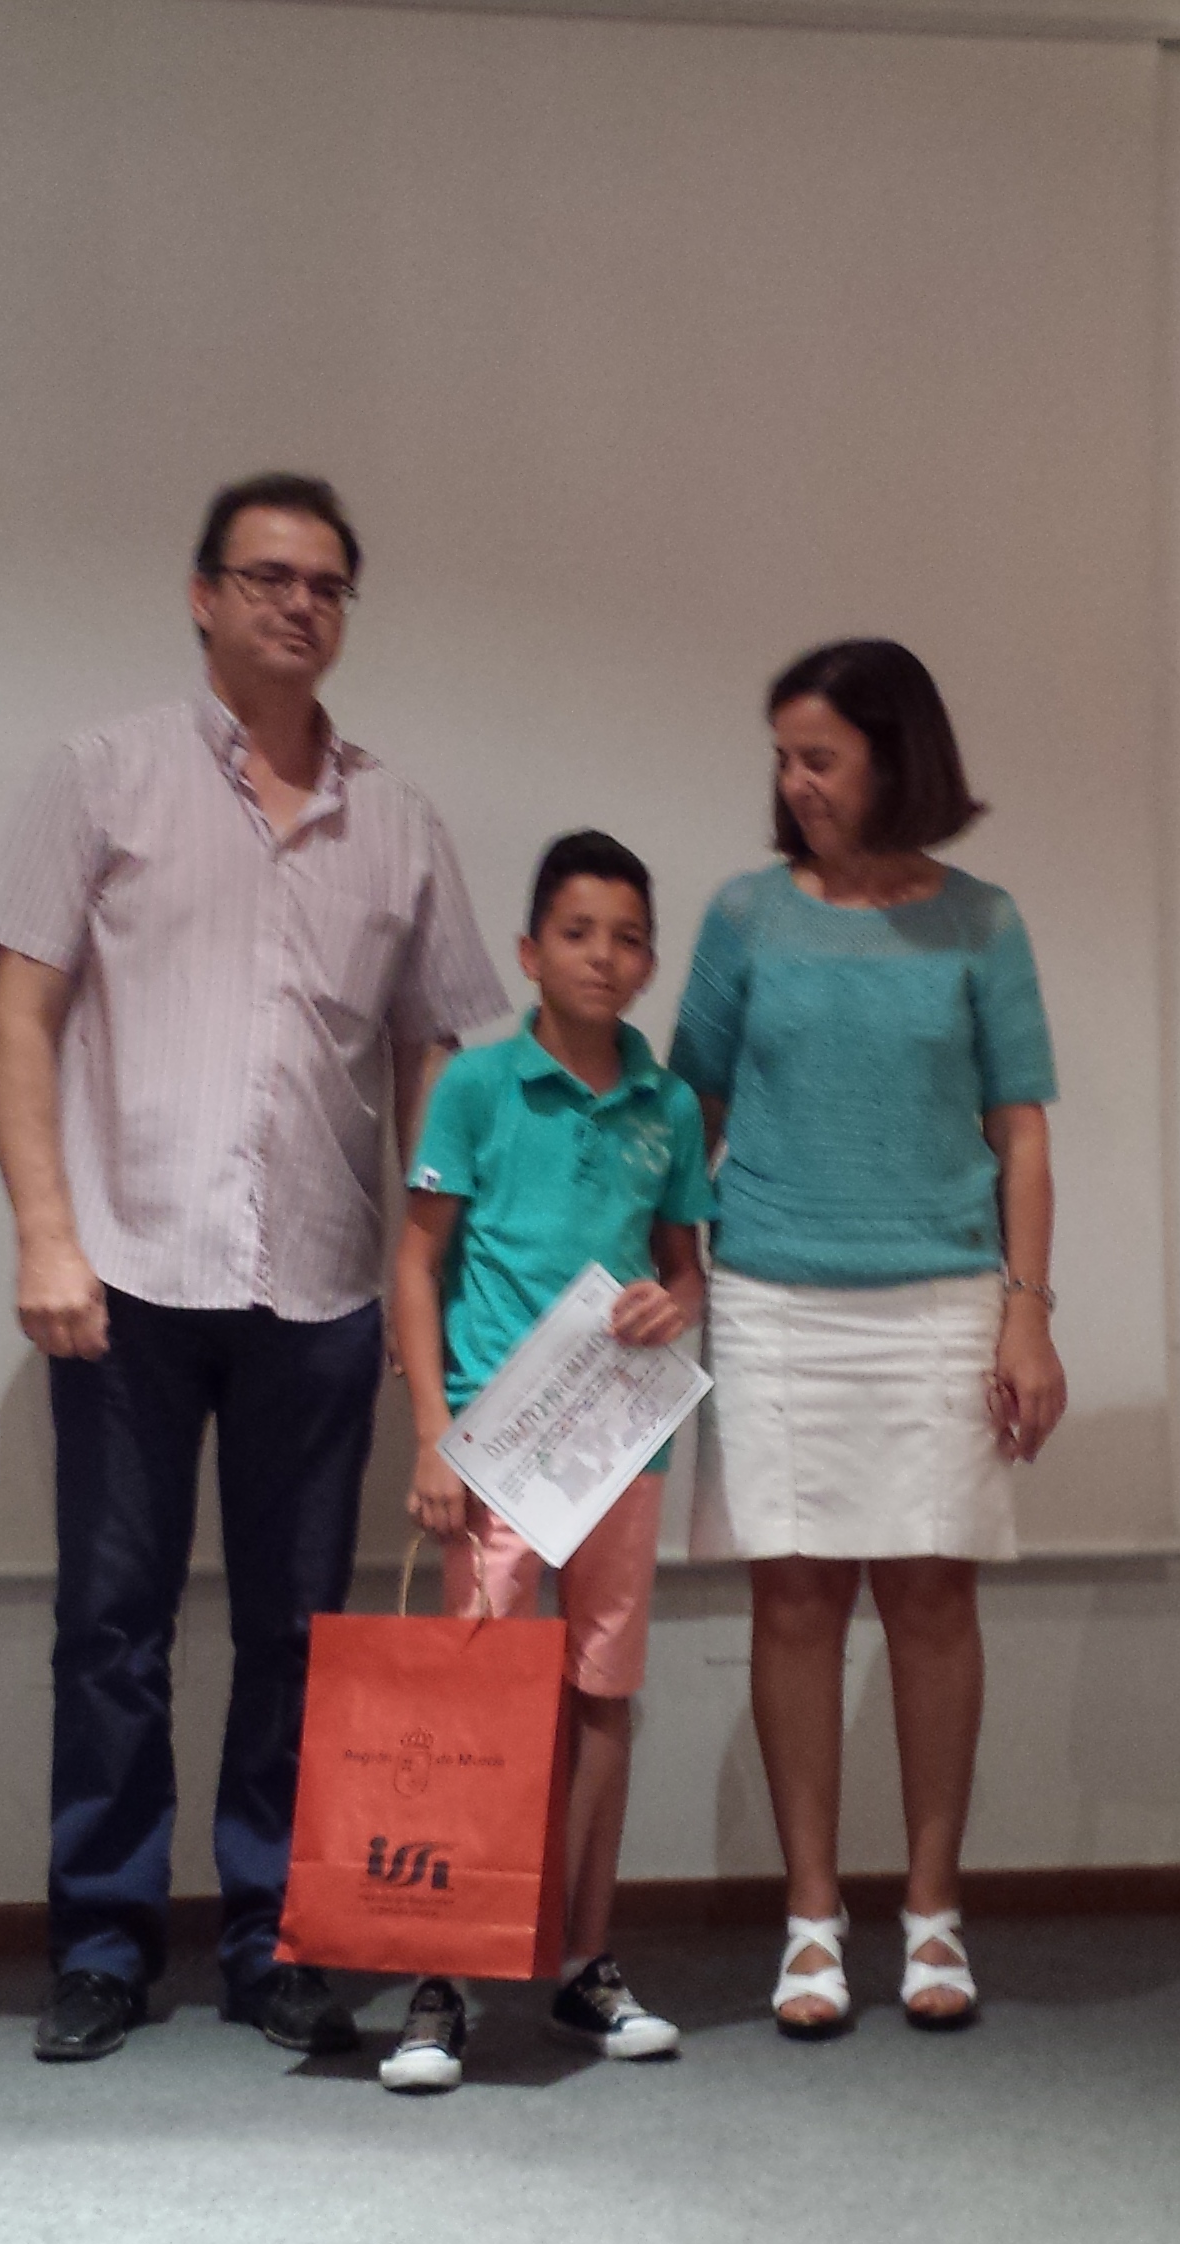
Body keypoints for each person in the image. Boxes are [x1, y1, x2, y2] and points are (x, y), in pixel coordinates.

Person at [0, 474, 506, 2063]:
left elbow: (434, 1061)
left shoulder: (399, 820)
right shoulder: (103, 775)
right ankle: (105, 1942)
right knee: (112, 1627)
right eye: (269, 576)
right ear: (202, 594)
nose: (299, 604)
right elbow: (18, 1017)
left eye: (327, 584)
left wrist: (425, 1274)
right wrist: (45, 1231)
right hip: (127, 1275)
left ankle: (280, 1935)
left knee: (301, 1631)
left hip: (323, 1289)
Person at [669, 638, 1062, 2038]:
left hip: (941, 1297)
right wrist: (665, 1271)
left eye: (819, 757)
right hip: (771, 1295)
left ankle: (935, 1910)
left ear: (896, 758)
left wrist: (1028, 1309)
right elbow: (687, 1115)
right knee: (793, 1602)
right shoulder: (745, 917)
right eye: (783, 757)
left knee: (933, 1603)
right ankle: (812, 1918)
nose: (795, 782)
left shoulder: (982, 923)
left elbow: (1021, 1132)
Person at [374, 830, 713, 2093]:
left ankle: (583, 1959)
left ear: (650, 963)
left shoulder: (669, 1105)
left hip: (620, 1443)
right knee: (476, 1703)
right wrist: (432, 1435)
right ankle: (445, 1978)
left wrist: (676, 1303)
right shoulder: (476, 1086)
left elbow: (686, 1268)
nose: (602, 958)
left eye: (628, 939)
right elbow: (416, 1262)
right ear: (529, 951)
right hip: (496, 1444)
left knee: (602, 1695)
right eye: (577, 933)